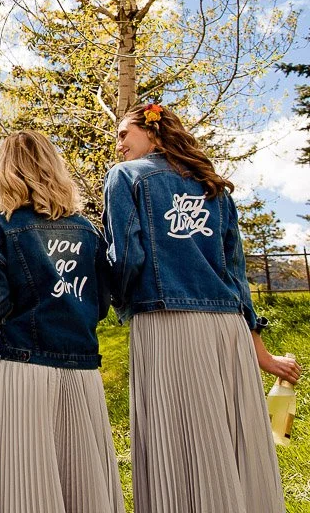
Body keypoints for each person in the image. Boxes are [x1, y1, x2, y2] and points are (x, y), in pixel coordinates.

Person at [104, 103, 300, 513]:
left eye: (125, 133)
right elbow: (236, 276)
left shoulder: (125, 178)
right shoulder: (213, 187)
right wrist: (258, 350)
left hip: (166, 323)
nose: (118, 143)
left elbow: (126, 259)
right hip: (226, 328)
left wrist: (120, 303)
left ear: (152, 133)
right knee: (231, 442)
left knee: (176, 441)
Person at [0, 130, 124, 513]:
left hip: (22, 365)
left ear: (6, 172)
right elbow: (102, 305)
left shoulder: (2, 226)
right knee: (84, 477)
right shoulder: (87, 229)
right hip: (80, 364)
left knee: (27, 479)